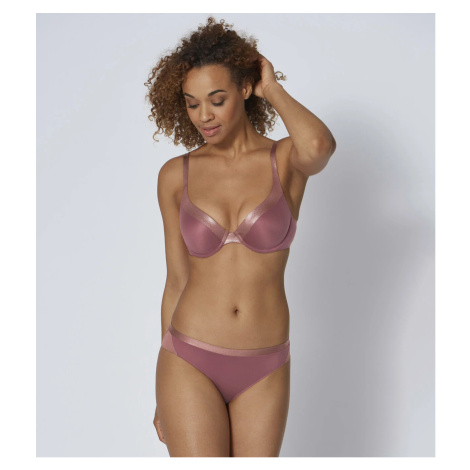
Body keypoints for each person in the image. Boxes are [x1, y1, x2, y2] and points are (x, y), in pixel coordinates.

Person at [144, 16, 336, 457]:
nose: (204, 116)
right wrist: (162, 392)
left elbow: (319, 147)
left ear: (245, 89)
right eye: (192, 104)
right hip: (188, 357)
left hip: (264, 363)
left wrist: (273, 88)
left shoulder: (285, 160)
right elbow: (176, 280)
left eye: (217, 100)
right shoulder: (176, 175)